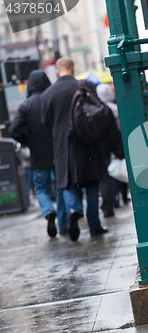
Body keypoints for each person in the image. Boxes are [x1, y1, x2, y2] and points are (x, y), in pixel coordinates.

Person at [41, 57, 107, 241]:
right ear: (73, 68)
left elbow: (45, 122)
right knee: (92, 183)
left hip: (63, 146)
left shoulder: (48, 93)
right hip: (87, 143)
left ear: (57, 71)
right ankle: (94, 225)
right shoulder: (83, 86)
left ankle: (75, 209)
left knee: (68, 182)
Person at [9, 70, 67, 238]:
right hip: (57, 152)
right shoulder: (52, 99)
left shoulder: (26, 105)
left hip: (38, 154)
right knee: (61, 187)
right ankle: (63, 224)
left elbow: (14, 130)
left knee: (41, 188)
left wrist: (27, 140)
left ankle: (48, 210)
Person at [96, 83, 126, 217]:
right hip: (111, 146)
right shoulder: (113, 109)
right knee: (112, 174)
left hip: (98, 149)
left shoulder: (95, 108)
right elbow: (116, 131)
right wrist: (119, 151)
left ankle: (110, 203)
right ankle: (120, 198)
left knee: (105, 177)